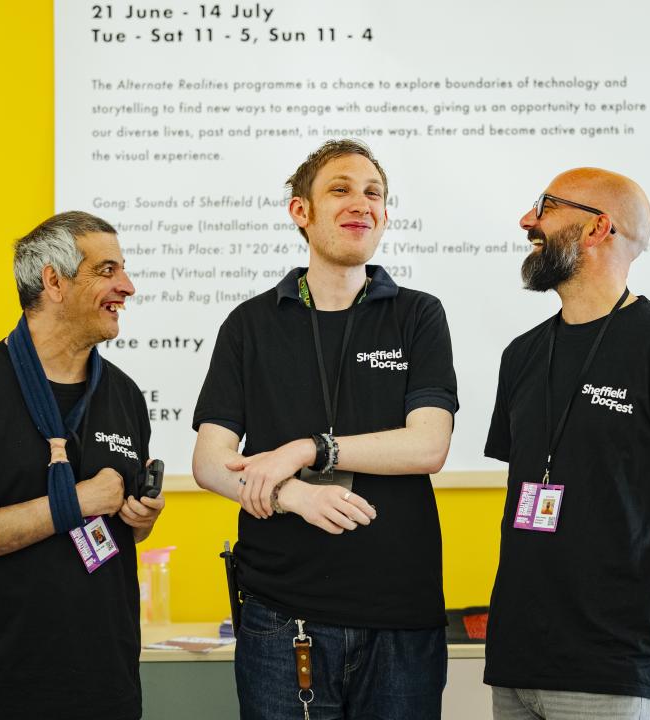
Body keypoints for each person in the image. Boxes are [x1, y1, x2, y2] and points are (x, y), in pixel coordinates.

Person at [192, 139, 458, 719]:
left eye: (373, 193)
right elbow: (211, 461)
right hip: (281, 617)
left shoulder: (418, 314)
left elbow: (429, 445)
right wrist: (291, 495)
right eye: (339, 189)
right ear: (300, 212)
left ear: (386, 215)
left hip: (400, 617)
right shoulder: (249, 324)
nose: (359, 203)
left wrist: (307, 449)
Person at [484, 169, 650, 719]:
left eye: (545, 207)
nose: (528, 220)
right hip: (517, 656)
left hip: (610, 663)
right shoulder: (521, 355)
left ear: (598, 228)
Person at [0, 211, 164, 720]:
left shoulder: (124, 395)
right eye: (107, 270)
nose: (128, 286)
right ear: (53, 280)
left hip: (104, 688)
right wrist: (71, 502)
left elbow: (116, 533)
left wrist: (140, 520)